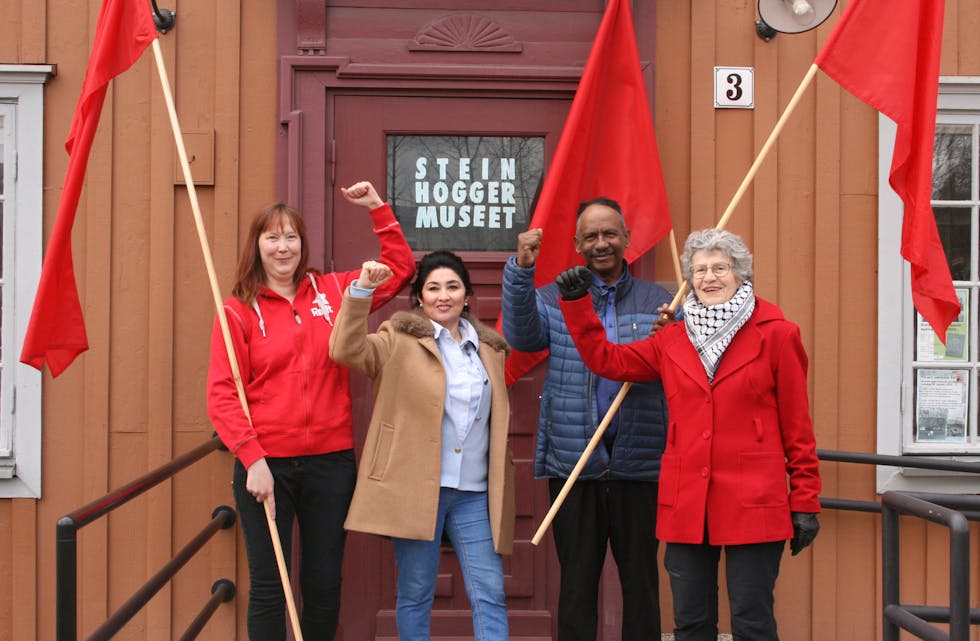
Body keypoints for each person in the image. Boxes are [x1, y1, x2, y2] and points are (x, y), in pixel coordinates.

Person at [554, 228, 822, 641]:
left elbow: (798, 427)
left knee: (752, 621)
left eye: (720, 267)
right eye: (699, 270)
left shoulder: (777, 334)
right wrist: (577, 306)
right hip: (687, 501)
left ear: (741, 275)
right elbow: (607, 359)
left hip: (754, 499)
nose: (709, 277)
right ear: (688, 279)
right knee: (691, 623)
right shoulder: (671, 339)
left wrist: (805, 498)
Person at [206, 181, 415, 641]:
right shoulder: (237, 310)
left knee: (322, 584)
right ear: (256, 246)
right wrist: (252, 458)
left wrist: (377, 208)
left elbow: (400, 270)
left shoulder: (337, 292)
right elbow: (223, 393)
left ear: (303, 244)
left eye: (291, 237)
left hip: (330, 463)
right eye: (272, 238)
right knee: (269, 587)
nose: (283, 248)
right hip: (265, 468)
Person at [501, 197, 676, 641]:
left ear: (628, 239)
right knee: (577, 587)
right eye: (592, 236)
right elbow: (521, 338)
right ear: (577, 243)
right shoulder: (552, 298)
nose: (602, 243)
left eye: (610, 234)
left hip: (640, 461)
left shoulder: (661, 301)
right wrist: (521, 270)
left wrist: (671, 335)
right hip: (575, 461)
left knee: (641, 584)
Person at [329, 250, 515, 641]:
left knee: (491, 592)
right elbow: (346, 350)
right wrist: (362, 290)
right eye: (433, 288)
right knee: (415, 592)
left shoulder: (490, 351)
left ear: (467, 295)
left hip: (474, 492)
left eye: (452, 286)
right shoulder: (397, 340)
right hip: (416, 490)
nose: (443, 295)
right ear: (420, 297)